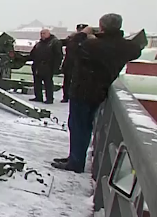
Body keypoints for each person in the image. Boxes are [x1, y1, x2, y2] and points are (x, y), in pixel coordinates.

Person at [52, 13, 141, 173]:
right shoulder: (125, 47)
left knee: (79, 126)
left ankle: (76, 162)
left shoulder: (93, 46)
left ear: (102, 26)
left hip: (82, 90)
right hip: (100, 91)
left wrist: (83, 33)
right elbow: (136, 49)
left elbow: (72, 48)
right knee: (85, 126)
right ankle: (75, 157)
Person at [28, 28, 64, 104]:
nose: (42, 35)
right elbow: (32, 54)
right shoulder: (39, 44)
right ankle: (38, 97)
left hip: (48, 66)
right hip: (38, 65)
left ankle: (49, 98)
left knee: (48, 83)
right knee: (37, 82)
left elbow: (58, 56)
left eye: (44, 33)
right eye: (41, 33)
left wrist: (56, 67)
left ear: (48, 34)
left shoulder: (54, 42)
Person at [59, 24, 88, 103]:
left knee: (79, 82)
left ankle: (76, 97)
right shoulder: (71, 39)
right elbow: (60, 43)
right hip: (69, 63)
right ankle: (66, 96)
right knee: (67, 82)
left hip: (81, 65)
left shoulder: (88, 40)